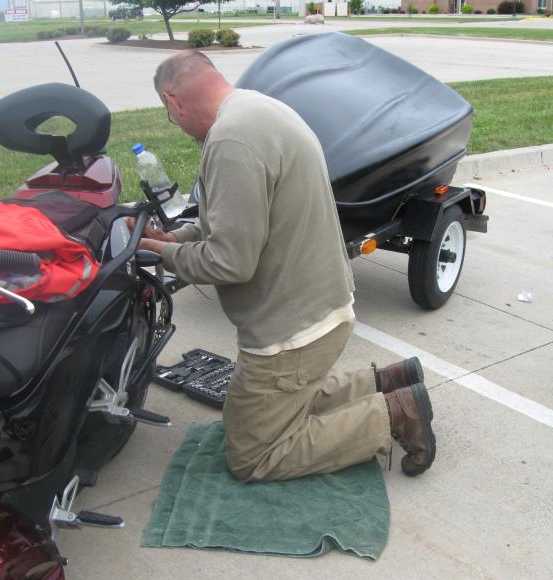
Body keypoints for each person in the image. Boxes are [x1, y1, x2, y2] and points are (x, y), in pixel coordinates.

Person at [137, 50, 436, 482]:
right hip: (318, 309)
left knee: (252, 455)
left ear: (173, 101)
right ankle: (388, 381)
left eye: (171, 117)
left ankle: (393, 414)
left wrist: (164, 256)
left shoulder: (231, 141)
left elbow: (230, 262)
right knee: (251, 412)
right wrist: (177, 240)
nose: (178, 126)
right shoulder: (259, 109)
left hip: (292, 333)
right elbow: (232, 219)